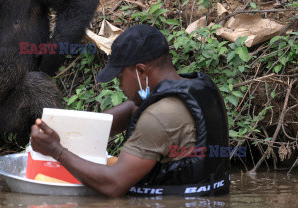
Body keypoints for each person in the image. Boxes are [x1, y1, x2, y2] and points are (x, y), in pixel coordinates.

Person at [30, 24, 230, 197]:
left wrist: (57, 151)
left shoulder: (158, 117)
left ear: (141, 71)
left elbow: (113, 184)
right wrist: (68, 129)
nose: (120, 86)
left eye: (119, 78)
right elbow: (134, 108)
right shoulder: (199, 87)